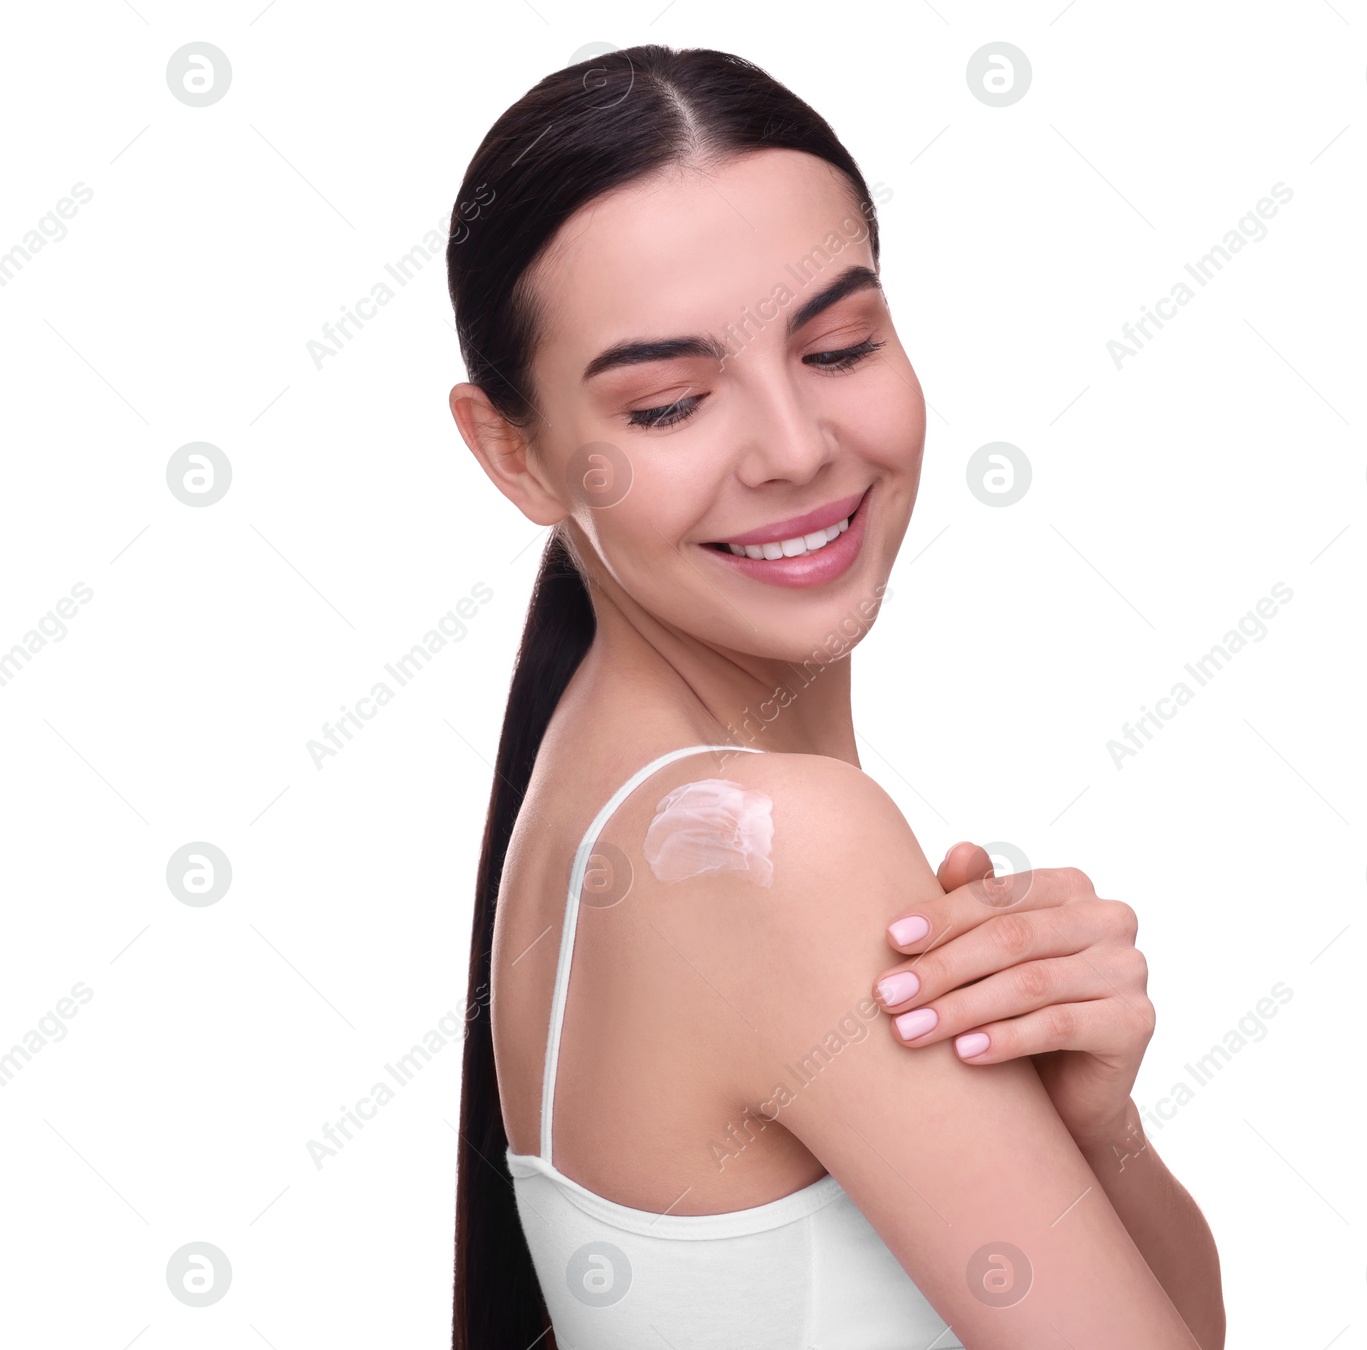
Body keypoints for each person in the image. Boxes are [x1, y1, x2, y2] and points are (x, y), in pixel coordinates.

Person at [446, 43, 1224, 1348]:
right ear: (512, 452)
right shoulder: (769, 849)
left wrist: (1095, 1125)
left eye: (839, 344)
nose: (798, 447)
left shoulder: (600, 798)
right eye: (671, 404)